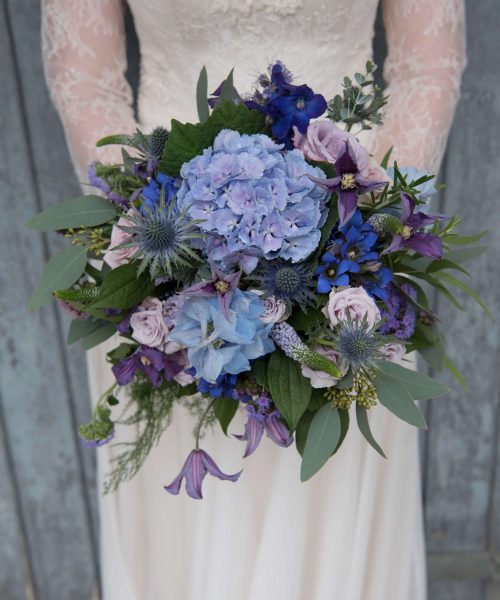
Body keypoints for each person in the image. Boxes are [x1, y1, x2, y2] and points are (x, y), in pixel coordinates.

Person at [41, 1, 466, 598]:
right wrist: (149, 232)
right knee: (189, 514)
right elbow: (83, 78)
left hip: (355, 260)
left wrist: (378, 223)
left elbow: (429, 64)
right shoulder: (157, 252)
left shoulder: (362, 256)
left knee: (332, 498)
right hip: (165, 249)